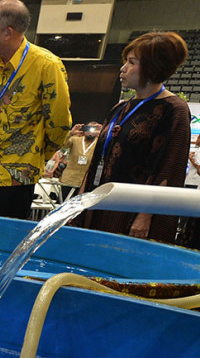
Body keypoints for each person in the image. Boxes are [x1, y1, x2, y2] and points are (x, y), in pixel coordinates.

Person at [0, 0, 72, 219]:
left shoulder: (46, 65)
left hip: (18, 178)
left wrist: (35, 156)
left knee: (7, 245)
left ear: (7, 33)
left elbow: (59, 123)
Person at [78, 32, 191, 244]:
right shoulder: (120, 107)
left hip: (132, 213)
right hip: (100, 201)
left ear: (152, 67)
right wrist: (81, 200)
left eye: (131, 62)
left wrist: (145, 215)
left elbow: (169, 167)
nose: (123, 68)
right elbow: (97, 160)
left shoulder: (173, 109)